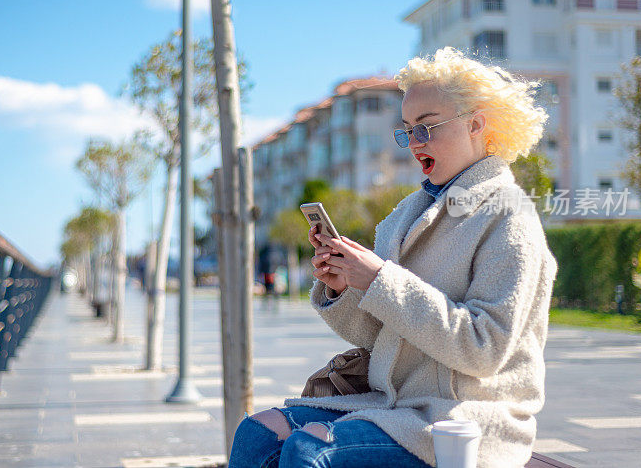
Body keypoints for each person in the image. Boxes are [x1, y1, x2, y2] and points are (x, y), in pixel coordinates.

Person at [228, 47, 558, 468]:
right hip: (396, 406)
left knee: (311, 451)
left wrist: (381, 279)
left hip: (469, 418)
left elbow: (484, 350)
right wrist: (344, 286)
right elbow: (377, 336)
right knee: (256, 433)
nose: (414, 143)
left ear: (476, 125)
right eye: (406, 131)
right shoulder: (405, 216)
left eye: (427, 127)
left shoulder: (509, 214)